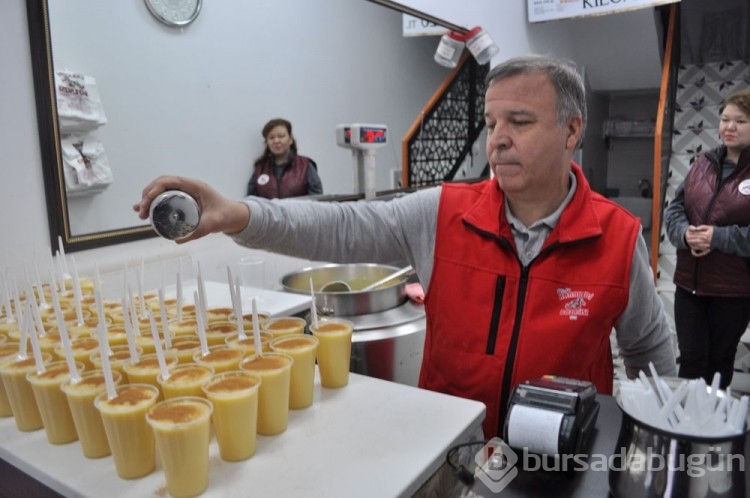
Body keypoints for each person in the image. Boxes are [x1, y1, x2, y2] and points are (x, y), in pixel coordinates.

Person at [135, 55, 676, 438]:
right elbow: (343, 227)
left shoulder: (617, 236)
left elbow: (650, 354)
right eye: (491, 123)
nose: (497, 139)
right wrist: (240, 214)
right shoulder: (442, 212)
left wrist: (643, 446)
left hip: (558, 456)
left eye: (520, 122)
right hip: (451, 446)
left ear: (572, 130)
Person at [664, 89, 750, 390]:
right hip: (689, 284)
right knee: (690, 360)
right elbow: (675, 209)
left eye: (740, 120)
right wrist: (686, 235)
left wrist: (718, 237)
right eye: (725, 119)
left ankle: (711, 428)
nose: (730, 126)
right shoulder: (702, 163)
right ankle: (684, 429)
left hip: (734, 290)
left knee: (718, 361)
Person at [246, 118, 323, 198]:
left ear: (290, 140)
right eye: (271, 138)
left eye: (281, 136)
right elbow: (251, 202)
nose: (276, 141)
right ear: (267, 142)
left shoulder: (305, 166)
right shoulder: (259, 169)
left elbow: (317, 201)